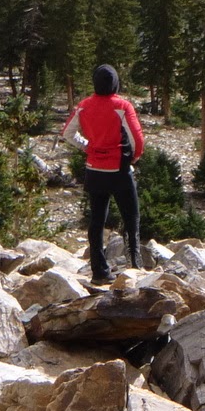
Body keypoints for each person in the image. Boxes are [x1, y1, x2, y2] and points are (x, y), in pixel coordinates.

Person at [60, 64, 145, 283]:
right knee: (131, 217)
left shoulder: (84, 106)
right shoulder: (122, 106)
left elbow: (67, 133)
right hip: (119, 169)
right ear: (115, 83)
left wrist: (87, 147)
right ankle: (135, 267)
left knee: (97, 221)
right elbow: (137, 139)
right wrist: (133, 157)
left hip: (94, 170)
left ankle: (99, 272)